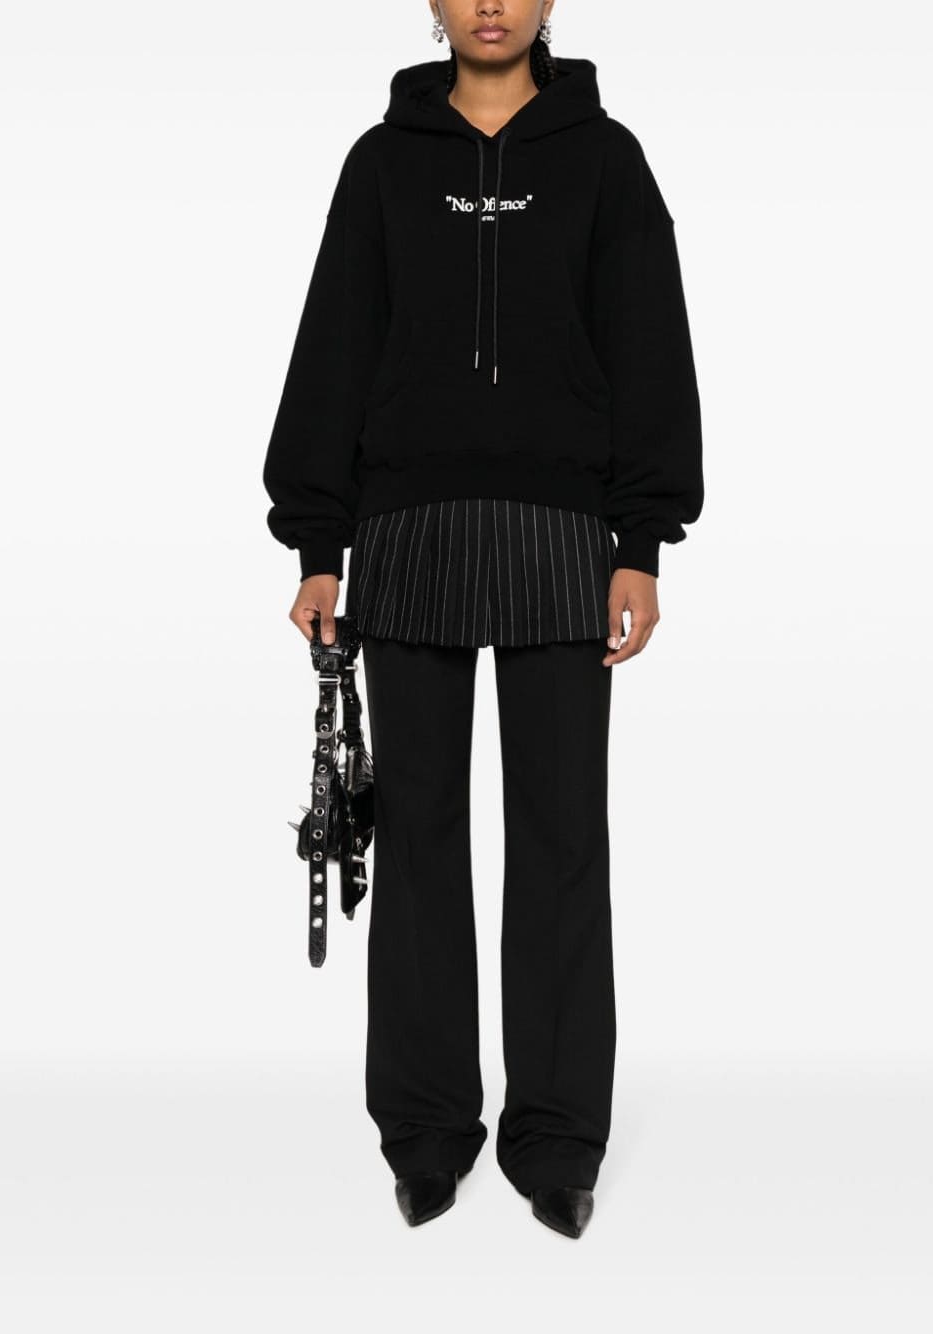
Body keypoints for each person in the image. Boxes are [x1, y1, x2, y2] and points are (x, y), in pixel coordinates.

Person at [262, 0, 704, 1240]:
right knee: (416, 836)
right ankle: (424, 1129)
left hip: (563, 535)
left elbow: (648, 346)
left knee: (561, 837)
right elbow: (335, 346)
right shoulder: (381, 162)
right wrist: (318, 545)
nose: (491, 4)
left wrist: (639, 543)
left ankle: (557, 1136)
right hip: (408, 532)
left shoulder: (606, 159)